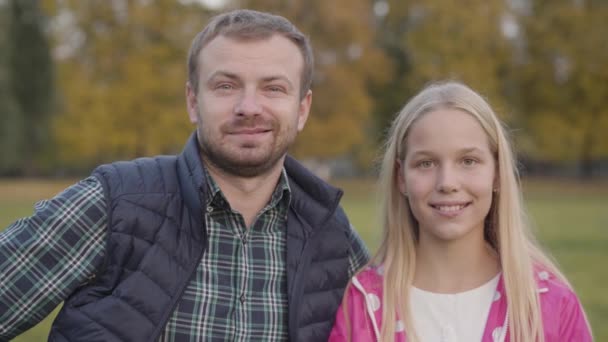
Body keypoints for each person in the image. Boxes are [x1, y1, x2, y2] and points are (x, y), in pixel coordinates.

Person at [0, 9, 369, 341]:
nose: (249, 107)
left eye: (273, 88)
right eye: (225, 86)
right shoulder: (114, 204)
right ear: (193, 101)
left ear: (302, 109)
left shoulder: (332, 235)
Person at [329, 81, 592, 342]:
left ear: (497, 173)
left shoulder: (550, 304)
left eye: (468, 161)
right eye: (426, 163)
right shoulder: (363, 307)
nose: (447, 183)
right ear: (401, 178)